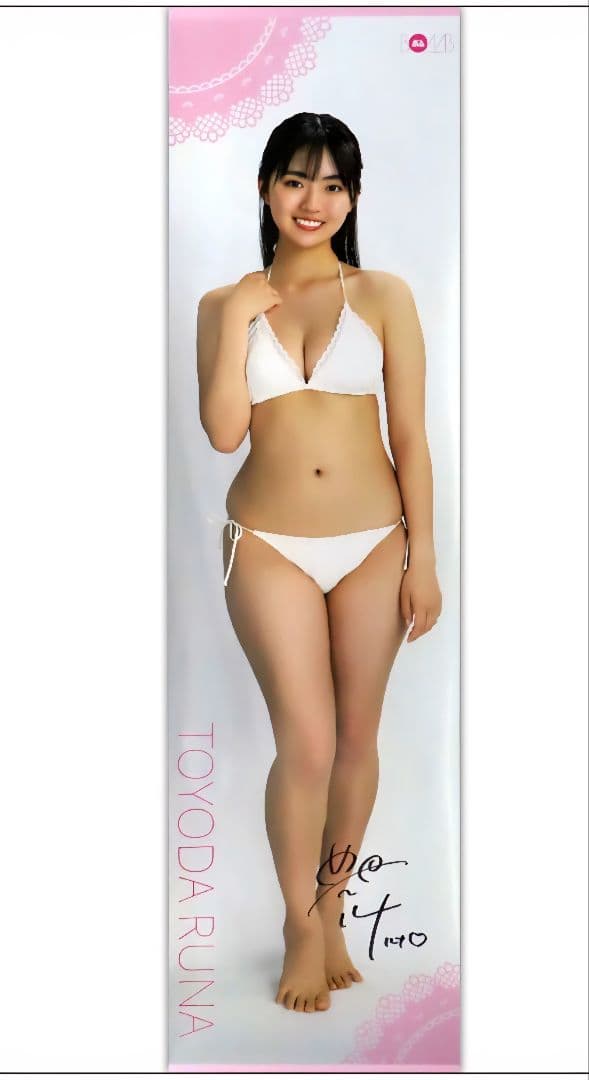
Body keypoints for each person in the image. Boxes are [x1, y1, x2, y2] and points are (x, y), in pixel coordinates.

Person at [196, 112, 442, 1014]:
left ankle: (333, 906)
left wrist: (423, 557)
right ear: (265, 186)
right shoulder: (222, 304)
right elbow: (224, 432)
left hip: (375, 542)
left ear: (353, 198)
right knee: (305, 741)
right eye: (296, 180)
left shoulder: (382, 295)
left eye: (333, 185)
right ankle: (301, 925)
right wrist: (237, 320)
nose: (314, 201)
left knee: (355, 740)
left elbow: (409, 436)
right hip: (267, 544)